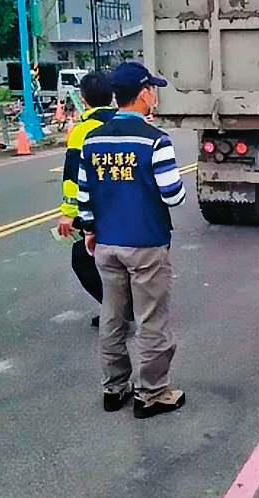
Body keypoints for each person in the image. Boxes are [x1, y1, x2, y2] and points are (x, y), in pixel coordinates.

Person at [78, 61, 187, 418]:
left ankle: (114, 389)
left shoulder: (92, 138)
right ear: (143, 95)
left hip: (107, 244)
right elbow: (173, 195)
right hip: (146, 242)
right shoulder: (155, 140)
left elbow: (84, 195)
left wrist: (91, 231)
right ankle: (152, 394)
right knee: (150, 319)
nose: (154, 95)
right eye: (152, 89)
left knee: (112, 318)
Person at [57, 71, 117, 326]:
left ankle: (117, 310)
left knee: (83, 259)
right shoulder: (121, 123)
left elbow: (73, 176)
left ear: (83, 99)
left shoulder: (82, 131)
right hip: (126, 206)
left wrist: (69, 213)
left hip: (96, 208)